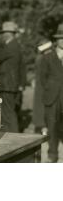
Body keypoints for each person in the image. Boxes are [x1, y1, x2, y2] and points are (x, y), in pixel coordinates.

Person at [0, 21, 26, 133]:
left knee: (8, 113)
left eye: (4, 33)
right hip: (10, 84)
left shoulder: (11, 46)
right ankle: (10, 134)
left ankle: (14, 137)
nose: (3, 35)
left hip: (7, 85)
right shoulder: (14, 45)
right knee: (7, 112)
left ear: (9, 34)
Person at [40, 23, 63, 162]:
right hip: (52, 97)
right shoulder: (48, 57)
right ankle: (53, 154)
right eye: (61, 38)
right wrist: (51, 88)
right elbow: (43, 78)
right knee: (52, 125)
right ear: (57, 40)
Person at [32, 39, 52, 135]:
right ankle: (45, 128)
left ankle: (44, 127)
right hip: (45, 86)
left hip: (41, 86)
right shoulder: (44, 58)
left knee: (42, 107)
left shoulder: (39, 58)